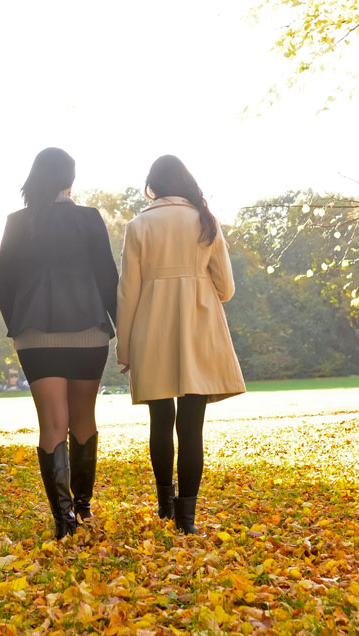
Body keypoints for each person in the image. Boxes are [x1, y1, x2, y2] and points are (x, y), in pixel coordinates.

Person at [116, 155, 245, 534]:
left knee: (160, 422)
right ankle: (187, 519)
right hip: (199, 328)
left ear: (152, 186)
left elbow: (127, 294)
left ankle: (164, 506)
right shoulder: (205, 220)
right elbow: (227, 289)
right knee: (192, 428)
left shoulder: (138, 225)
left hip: (152, 330)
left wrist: (125, 347)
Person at [0, 147, 119, 539]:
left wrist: (16, 329)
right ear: (70, 180)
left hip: (36, 336)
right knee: (84, 419)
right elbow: (107, 279)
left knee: (51, 425)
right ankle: (83, 507)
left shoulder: (17, 222)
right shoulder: (89, 219)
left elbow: (4, 286)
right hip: (89, 333)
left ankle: (63, 522)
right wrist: (121, 328)